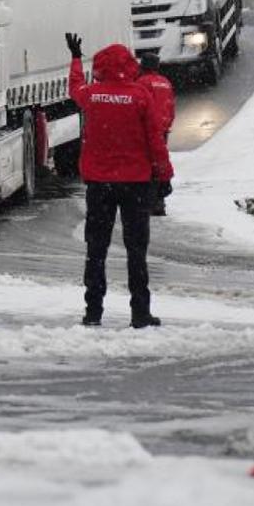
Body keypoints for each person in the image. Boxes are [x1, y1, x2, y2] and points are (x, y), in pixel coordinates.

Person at [66, 33, 173, 329]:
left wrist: (76, 59)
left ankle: (93, 311)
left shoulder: (92, 95)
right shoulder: (141, 97)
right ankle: (140, 312)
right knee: (136, 250)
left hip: (99, 185)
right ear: (130, 65)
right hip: (136, 184)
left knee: (96, 249)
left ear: (100, 66)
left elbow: (74, 88)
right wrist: (164, 175)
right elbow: (156, 140)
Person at [135, 53, 175, 216]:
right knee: (159, 164)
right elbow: (171, 108)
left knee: (145, 165)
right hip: (162, 130)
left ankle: (148, 201)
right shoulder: (165, 83)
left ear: (142, 66)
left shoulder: (141, 83)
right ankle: (159, 201)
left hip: (146, 130)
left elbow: (139, 106)